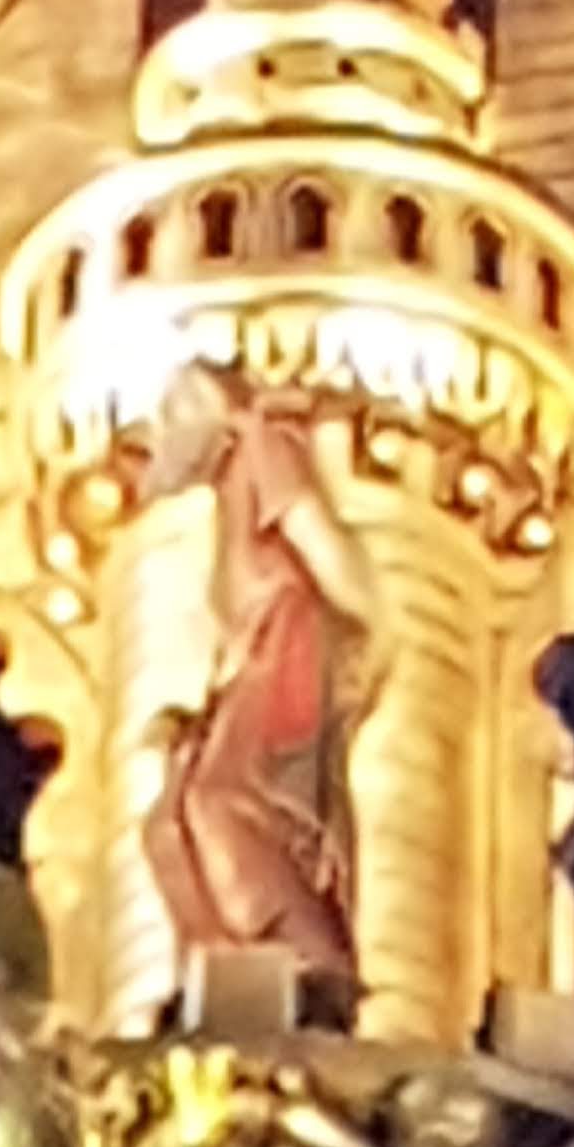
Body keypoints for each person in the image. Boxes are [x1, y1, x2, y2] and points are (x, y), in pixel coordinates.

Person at [140, 363, 381, 994]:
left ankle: (307, 959)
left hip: (289, 644)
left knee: (223, 802)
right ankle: (227, 966)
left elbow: (317, 540)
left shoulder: (262, 447)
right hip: (254, 658)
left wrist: (365, 626)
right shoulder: (229, 485)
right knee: (168, 820)